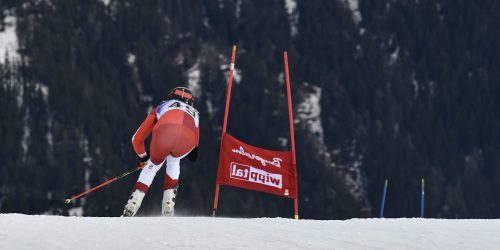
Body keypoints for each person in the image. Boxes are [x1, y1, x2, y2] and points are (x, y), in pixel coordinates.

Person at [122, 87, 199, 217]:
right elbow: (194, 154)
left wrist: (144, 158)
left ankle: (133, 204)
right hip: (188, 141)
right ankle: (168, 205)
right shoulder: (196, 113)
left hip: (164, 135)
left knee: (153, 165)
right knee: (174, 160)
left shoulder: (163, 105)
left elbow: (136, 139)